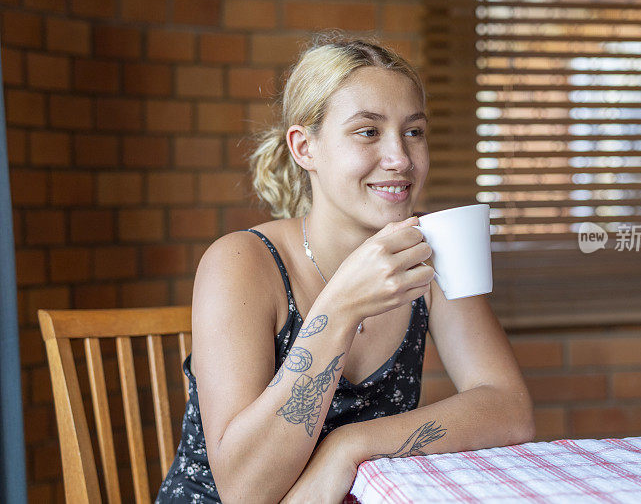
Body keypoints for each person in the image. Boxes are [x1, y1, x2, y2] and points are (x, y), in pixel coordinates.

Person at [156, 32, 535, 504]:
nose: (400, 158)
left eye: (413, 132)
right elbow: (244, 492)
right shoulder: (242, 263)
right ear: (304, 147)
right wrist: (340, 307)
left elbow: (508, 407)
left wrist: (348, 447)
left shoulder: (429, 254)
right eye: (368, 131)